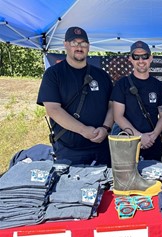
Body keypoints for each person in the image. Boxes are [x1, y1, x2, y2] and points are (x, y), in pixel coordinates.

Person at [37, 26, 113, 166]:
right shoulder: (53, 74)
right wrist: (84, 130)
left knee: (105, 187)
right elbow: (53, 110)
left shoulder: (102, 75)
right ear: (66, 45)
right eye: (74, 43)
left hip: (102, 148)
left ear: (88, 46)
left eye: (83, 43)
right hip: (69, 150)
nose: (79, 47)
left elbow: (112, 106)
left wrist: (105, 128)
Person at [111, 41, 162, 161]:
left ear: (151, 58)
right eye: (136, 57)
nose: (141, 60)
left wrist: (153, 136)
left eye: (144, 56)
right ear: (130, 59)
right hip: (129, 143)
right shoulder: (122, 84)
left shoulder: (158, 85)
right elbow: (118, 116)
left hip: (153, 144)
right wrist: (139, 136)